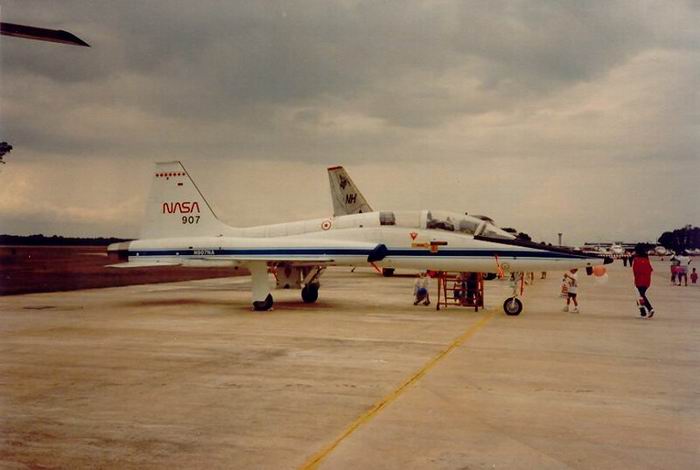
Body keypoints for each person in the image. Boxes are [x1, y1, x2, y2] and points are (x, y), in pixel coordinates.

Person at [632, 245, 654, 318]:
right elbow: (650, 269)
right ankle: (643, 312)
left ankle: (650, 309)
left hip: (639, 280)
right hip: (647, 281)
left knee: (640, 296)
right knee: (639, 296)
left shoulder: (636, 259)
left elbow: (635, 270)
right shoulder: (646, 259)